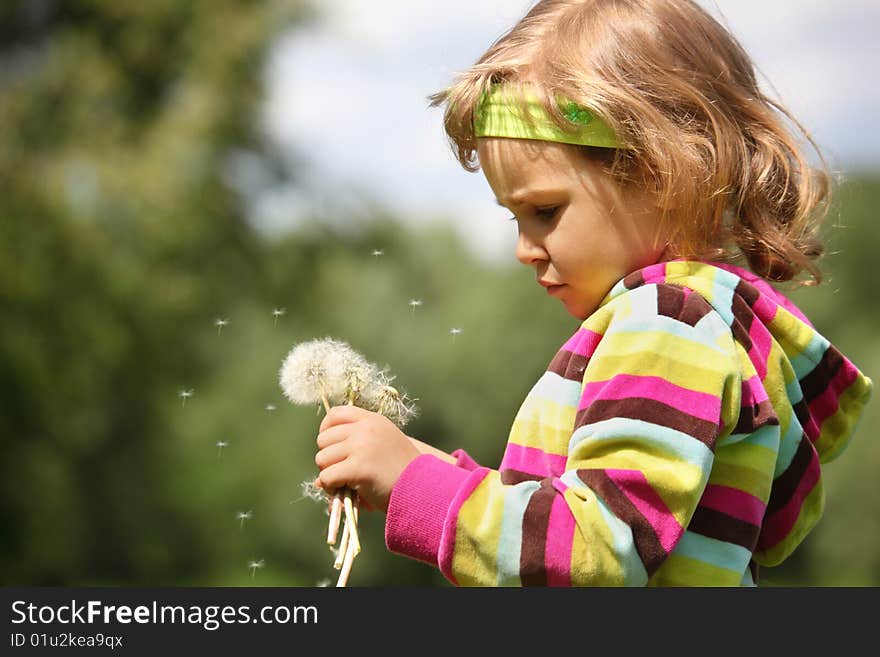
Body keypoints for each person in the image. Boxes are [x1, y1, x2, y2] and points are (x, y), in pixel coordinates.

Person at [313, 0, 873, 586]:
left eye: (545, 211)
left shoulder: (666, 327)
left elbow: (599, 551)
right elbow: (578, 516)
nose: (524, 249)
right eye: (515, 219)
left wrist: (413, 482)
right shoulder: (698, 323)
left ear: (663, 175)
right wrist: (418, 465)